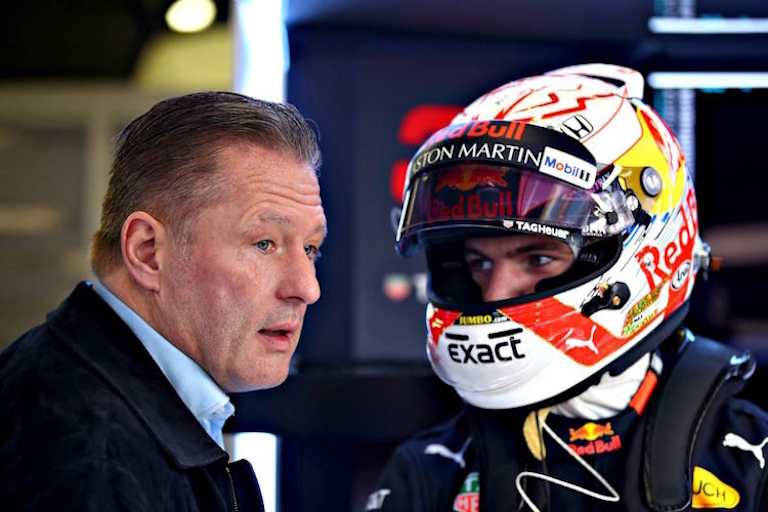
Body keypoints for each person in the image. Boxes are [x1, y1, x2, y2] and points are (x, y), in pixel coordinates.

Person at [365, 64, 768, 511]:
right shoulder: (429, 472)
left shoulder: (754, 461)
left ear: (648, 248)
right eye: (478, 262)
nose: (495, 292)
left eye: (537, 258)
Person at [0, 92, 326, 511]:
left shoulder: (103, 411)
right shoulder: (88, 455)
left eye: (311, 249)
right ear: (148, 251)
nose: (307, 287)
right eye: (264, 243)